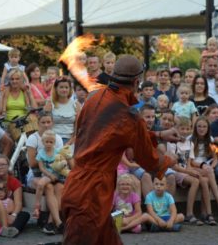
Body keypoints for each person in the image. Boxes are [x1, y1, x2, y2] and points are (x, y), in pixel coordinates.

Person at [61, 55, 180, 244]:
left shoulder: (94, 98)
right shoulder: (130, 116)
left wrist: (158, 135)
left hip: (79, 184)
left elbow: (111, 135)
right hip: (92, 193)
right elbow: (149, 160)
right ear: (136, 82)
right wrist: (170, 161)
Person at [26, 111, 64, 235]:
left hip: (55, 173)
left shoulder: (57, 138)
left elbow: (60, 159)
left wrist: (54, 167)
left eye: (48, 122)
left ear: (52, 123)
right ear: (38, 123)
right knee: (48, 186)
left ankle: (50, 223)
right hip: (36, 174)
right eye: (43, 122)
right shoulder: (33, 138)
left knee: (59, 187)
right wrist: (48, 162)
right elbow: (32, 163)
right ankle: (57, 222)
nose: (46, 125)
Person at [166, 117, 204, 226]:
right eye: (182, 129)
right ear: (176, 129)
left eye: (187, 129)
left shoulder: (190, 144)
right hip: (175, 170)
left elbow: (188, 163)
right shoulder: (172, 143)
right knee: (195, 181)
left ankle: (204, 212)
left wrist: (192, 171)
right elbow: (173, 165)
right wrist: (190, 172)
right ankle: (189, 214)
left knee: (202, 178)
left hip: (184, 170)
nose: (185, 131)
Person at [189, 116, 218, 220]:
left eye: (204, 127)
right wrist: (204, 166)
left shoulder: (210, 139)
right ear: (195, 128)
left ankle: (205, 213)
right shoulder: (190, 140)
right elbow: (191, 161)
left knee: (206, 180)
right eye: (199, 126)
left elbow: (215, 159)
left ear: (208, 128)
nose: (202, 129)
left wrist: (210, 166)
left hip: (205, 167)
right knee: (209, 173)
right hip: (193, 166)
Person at [33, 130, 65, 235]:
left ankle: (52, 223)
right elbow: (41, 168)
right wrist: (50, 175)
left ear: (54, 143)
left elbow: (61, 165)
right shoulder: (41, 153)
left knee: (59, 190)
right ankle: (37, 205)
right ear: (43, 142)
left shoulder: (57, 152)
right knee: (43, 185)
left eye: (51, 142)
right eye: (46, 142)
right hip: (48, 176)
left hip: (58, 176)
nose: (49, 144)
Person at [45, 77, 77, 145]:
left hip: (71, 140)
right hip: (53, 139)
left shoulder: (76, 105)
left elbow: (78, 128)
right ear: (56, 89)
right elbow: (46, 126)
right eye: (61, 87)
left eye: (66, 87)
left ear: (70, 89)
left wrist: (70, 142)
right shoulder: (50, 103)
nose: (64, 90)